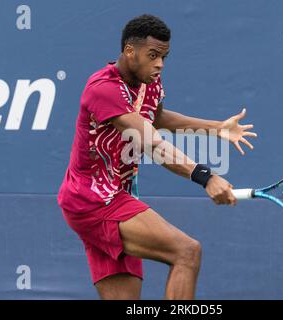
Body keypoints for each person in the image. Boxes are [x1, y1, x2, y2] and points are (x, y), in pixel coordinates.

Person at [57, 14, 257, 300]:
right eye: (153, 56)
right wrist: (206, 176)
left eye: (164, 57)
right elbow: (152, 143)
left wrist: (216, 128)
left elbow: (158, 117)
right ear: (130, 51)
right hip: (93, 200)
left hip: (112, 198)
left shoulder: (150, 82)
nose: (160, 64)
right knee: (187, 252)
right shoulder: (103, 89)